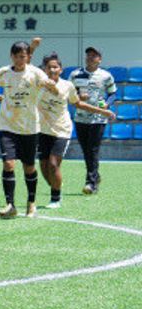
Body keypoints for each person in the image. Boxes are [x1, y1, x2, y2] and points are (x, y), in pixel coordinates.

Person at [0, 40, 61, 219]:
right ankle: (10, 205)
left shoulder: (35, 73)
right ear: (12, 56)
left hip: (29, 127)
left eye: (24, 56)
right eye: (18, 56)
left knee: (28, 167)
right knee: (8, 163)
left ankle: (31, 201)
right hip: (7, 125)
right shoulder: (3, 73)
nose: (21, 60)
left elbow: (53, 89)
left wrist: (53, 87)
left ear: (28, 57)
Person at [37, 52, 115, 208]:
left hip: (62, 129)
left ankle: (58, 197)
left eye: (56, 67)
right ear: (44, 69)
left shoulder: (67, 85)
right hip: (43, 129)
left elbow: (78, 103)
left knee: (54, 164)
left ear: (60, 69)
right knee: (44, 167)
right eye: (49, 67)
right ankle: (57, 184)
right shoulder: (38, 84)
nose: (52, 70)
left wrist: (103, 111)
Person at [70, 46, 117, 195]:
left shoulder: (106, 76)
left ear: (99, 59)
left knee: (93, 149)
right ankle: (95, 176)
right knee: (86, 150)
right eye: (88, 55)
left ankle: (90, 183)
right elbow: (68, 92)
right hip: (80, 117)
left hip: (98, 118)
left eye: (94, 56)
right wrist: (78, 95)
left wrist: (108, 104)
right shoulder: (76, 74)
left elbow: (113, 93)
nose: (90, 58)